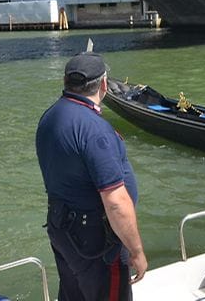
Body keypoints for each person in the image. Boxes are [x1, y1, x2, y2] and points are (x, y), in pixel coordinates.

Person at [35, 52, 147, 301]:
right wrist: (136, 250)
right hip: (96, 242)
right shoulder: (94, 130)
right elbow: (116, 202)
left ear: (66, 82)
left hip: (62, 227)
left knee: (73, 294)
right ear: (104, 85)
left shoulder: (49, 118)